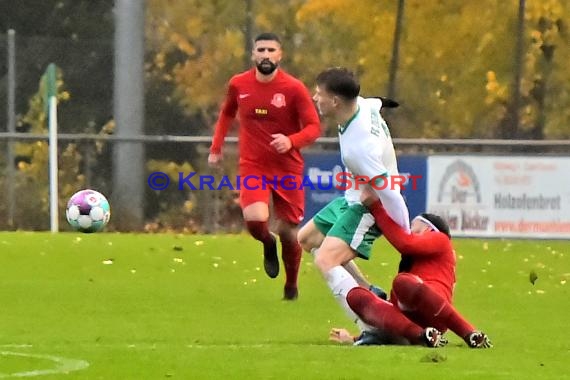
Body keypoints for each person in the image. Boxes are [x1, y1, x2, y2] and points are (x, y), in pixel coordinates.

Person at [298, 67, 411, 339]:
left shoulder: (358, 149)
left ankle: (370, 326)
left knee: (326, 260)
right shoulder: (360, 105)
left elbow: (391, 192)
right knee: (307, 239)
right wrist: (386, 102)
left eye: (319, 94)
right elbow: (374, 101)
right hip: (351, 198)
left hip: (369, 207)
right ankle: (368, 291)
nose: (315, 98)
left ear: (335, 101)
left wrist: (408, 243)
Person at [208, 32, 321, 300]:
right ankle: (267, 243)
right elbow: (226, 113)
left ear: (280, 55)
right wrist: (216, 148)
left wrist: (291, 141)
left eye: (271, 50)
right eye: (261, 50)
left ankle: (291, 285)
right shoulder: (239, 84)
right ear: (253, 54)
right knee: (256, 221)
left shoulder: (293, 88)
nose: (266, 55)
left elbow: (315, 127)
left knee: (289, 232)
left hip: (287, 169)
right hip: (253, 166)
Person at [331, 187, 493, 348]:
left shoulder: (440, 239)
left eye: (413, 225)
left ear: (428, 228)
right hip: (411, 318)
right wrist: (353, 338)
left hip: (434, 311)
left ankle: (468, 332)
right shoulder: (412, 262)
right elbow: (391, 312)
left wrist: (375, 207)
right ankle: (423, 335)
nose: (408, 229)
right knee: (355, 295)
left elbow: (406, 244)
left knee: (402, 283)